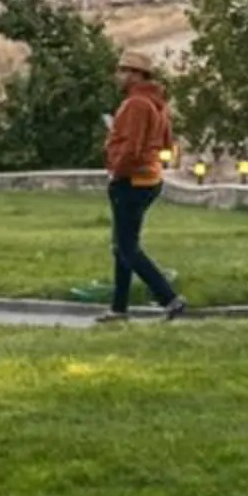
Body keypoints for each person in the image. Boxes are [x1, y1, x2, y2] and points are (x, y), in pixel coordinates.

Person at [99, 51, 186, 324]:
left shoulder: (136, 104)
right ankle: (119, 308)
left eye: (123, 70)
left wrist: (116, 170)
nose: (118, 76)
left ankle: (169, 298)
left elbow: (132, 147)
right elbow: (166, 144)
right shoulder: (157, 104)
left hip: (132, 180)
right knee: (121, 246)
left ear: (137, 75)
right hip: (150, 178)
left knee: (127, 248)